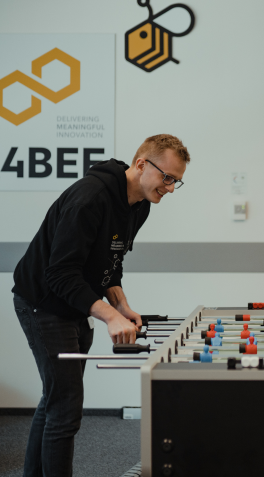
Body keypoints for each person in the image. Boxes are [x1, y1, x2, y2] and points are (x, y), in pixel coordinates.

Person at [11, 134, 190, 477]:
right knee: (65, 410)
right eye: (167, 177)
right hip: (43, 302)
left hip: (77, 302)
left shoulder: (139, 206)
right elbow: (60, 274)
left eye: (176, 182)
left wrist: (121, 305)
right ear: (141, 165)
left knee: (55, 398)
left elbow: (112, 262)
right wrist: (108, 316)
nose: (169, 188)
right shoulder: (89, 199)